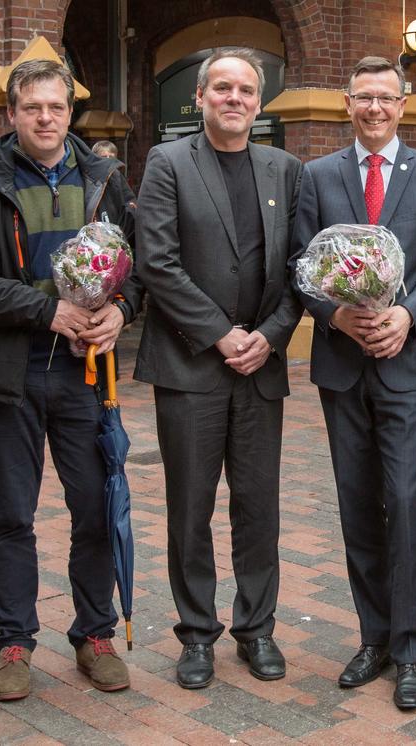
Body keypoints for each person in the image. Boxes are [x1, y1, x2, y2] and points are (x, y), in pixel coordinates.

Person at [0, 59, 144, 702]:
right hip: (10, 373)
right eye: (32, 107)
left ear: (69, 112)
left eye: (56, 107)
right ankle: (13, 641)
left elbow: (140, 267)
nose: (45, 118)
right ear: (12, 114)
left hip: (87, 374)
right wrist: (48, 310)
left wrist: (119, 310)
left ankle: (94, 633)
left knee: (94, 507)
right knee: (11, 514)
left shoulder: (104, 177)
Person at [133, 48, 303, 690]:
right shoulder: (168, 162)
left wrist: (271, 335)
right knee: (191, 508)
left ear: (258, 104)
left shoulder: (285, 169)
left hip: (261, 367)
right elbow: (157, 260)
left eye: (246, 90)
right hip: (190, 367)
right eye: (222, 88)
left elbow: (301, 269)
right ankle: (197, 634)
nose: (234, 98)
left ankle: (256, 631)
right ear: (200, 97)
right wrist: (219, 336)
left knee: (258, 507)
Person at [290, 55, 416, 710]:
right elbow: (302, 266)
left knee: (405, 500)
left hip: (406, 364)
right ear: (347, 103)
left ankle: (412, 649)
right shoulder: (318, 176)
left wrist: (408, 316)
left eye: (387, 98)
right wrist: (335, 315)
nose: (376, 109)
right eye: (364, 97)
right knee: (357, 500)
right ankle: (373, 638)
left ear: (404, 104)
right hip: (341, 364)